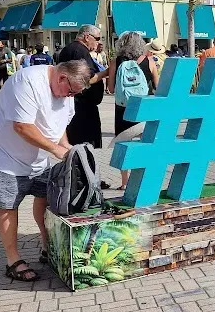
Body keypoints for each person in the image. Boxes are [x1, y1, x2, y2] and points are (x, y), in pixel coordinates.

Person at [0, 60, 90, 281]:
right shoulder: (27, 81)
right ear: (62, 77)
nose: (70, 96)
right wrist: (56, 150)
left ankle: (47, 246)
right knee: (9, 205)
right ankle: (13, 259)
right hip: (3, 156)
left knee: (46, 197)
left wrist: (66, 147)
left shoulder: (66, 92)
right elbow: (22, 126)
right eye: (71, 91)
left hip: (37, 157)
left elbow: (60, 124)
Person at [107, 32, 159, 190]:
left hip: (123, 108)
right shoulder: (149, 61)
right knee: (147, 143)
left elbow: (110, 88)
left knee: (124, 144)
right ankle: (146, 178)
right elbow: (158, 87)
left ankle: (125, 182)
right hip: (144, 108)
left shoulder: (116, 61)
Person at [57, 25, 109, 151]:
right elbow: (85, 79)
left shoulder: (73, 49)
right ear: (87, 37)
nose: (98, 42)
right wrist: (106, 72)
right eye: (97, 38)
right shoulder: (79, 51)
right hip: (81, 107)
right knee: (85, 145)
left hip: (78, 104)